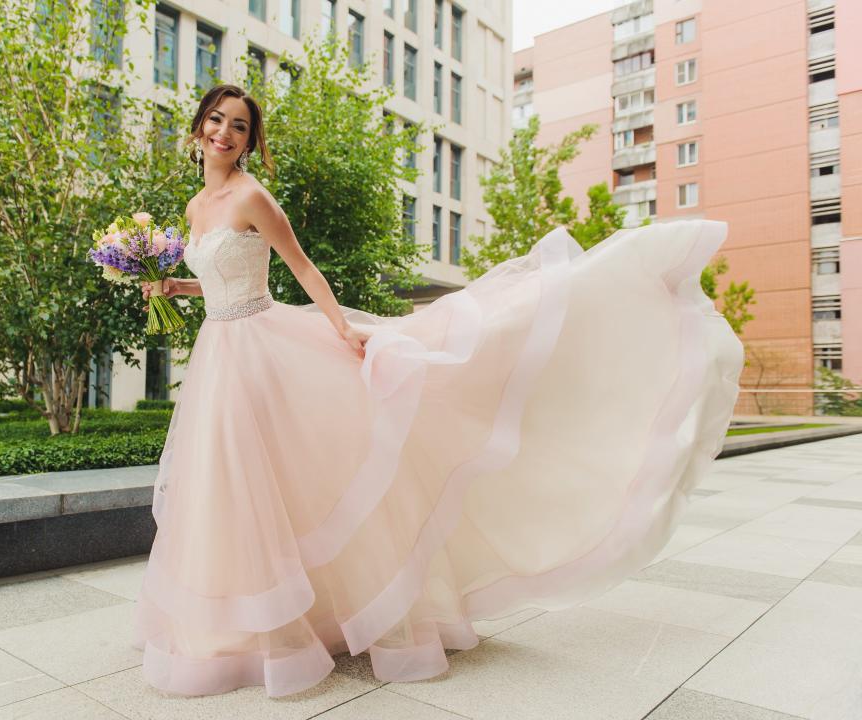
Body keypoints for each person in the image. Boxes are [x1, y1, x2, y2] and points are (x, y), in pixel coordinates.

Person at [131, 83, 744, 699]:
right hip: (221, 351)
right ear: (197, 129)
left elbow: (302, 268)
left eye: (239, 125)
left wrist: (343, 327)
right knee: (235, 484)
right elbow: (216, 280)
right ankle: (249, 620)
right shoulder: (195, 207)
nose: (225, 133)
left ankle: (311, 621)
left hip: (264, 345)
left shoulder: (253, 196)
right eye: (217, 120)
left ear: (249, 140)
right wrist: (173, 289)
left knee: (289, 475)